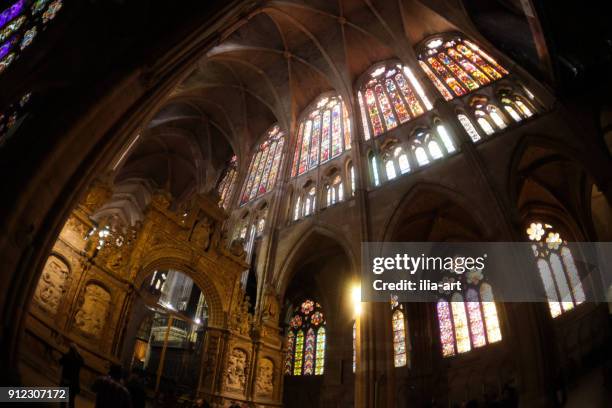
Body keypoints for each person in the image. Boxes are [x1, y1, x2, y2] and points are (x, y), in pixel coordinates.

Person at [59, 343, 84, 408]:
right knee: (71, 400)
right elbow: (82, 362)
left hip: (65, 380)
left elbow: (60, 361)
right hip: (74, 382)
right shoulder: (78, 359)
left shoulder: (66, 356)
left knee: (63, 400)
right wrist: (78, 354)